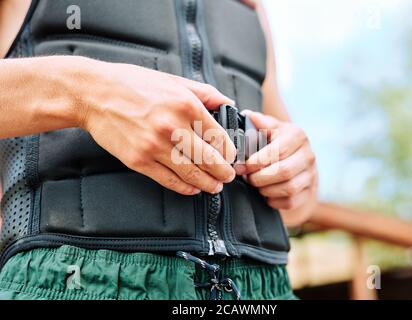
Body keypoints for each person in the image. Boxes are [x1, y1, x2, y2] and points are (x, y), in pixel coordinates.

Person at [0, 0, 317, 300]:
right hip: (76, 278)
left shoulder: (252, 9)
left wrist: (298, 175)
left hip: (263, 286)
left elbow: (296, 209)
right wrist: (87, 94)